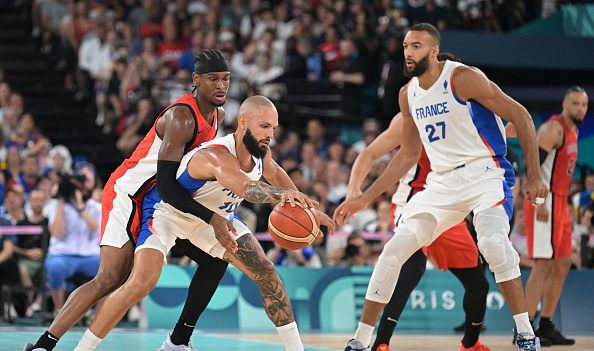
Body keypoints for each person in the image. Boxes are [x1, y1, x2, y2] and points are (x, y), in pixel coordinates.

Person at [334, 23, 547, 351]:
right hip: (442, 183)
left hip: (486, 174)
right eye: (406, 45)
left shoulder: (462, 78)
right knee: (392, 252)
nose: (408, 52)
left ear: (434, 51)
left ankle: (525, 333)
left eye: (416, 46)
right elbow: (407, 155)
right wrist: (364, 198)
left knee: (491, 242)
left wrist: (534, 177)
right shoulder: (407, 95)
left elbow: (520, 115)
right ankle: (361, 341)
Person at [71, 95, 335, 351]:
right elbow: (247, 188)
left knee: (266, 273)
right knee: (142, 282)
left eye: (273, 128)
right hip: (169, 214)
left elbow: (275, 173)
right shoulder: (216, 155)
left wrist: (307, 209)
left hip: (214, 220)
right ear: (243, 122)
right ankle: (84, 348)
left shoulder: (260, 152)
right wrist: (283, 196)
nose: (270, 134)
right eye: (264, 126)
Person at [25, 49, 236, 351]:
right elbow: (165, 182)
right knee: (110, 277)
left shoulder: (219, 116)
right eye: (213, 79)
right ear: (196, 80)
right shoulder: (180, 117)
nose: (221, 86)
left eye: (226, 79)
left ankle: (179, 341)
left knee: (215, 258)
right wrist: (211, 216)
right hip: (131, 193)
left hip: (161, 200)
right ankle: (45, 345)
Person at [347, 106, 490, 350]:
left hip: (447, 205)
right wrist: (353, 191)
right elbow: (369, 154)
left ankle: (471, 343)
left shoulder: (464, 116)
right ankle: (380, 344)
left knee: (478, 283)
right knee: (412, 267)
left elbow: (498, 133)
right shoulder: (410, 118)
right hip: (411, 202)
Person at [523, 86, 588, 346]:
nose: (580, 109)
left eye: (584, 104)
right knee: (543, 264)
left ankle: (547, 325)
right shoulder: (554, 129)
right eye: (575, 104)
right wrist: (539, 201)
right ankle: (525, 328)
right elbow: (533, 165)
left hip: (560, 202)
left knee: (562, 264)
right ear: (564, 103)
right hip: (544, 200)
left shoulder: (573, 130)